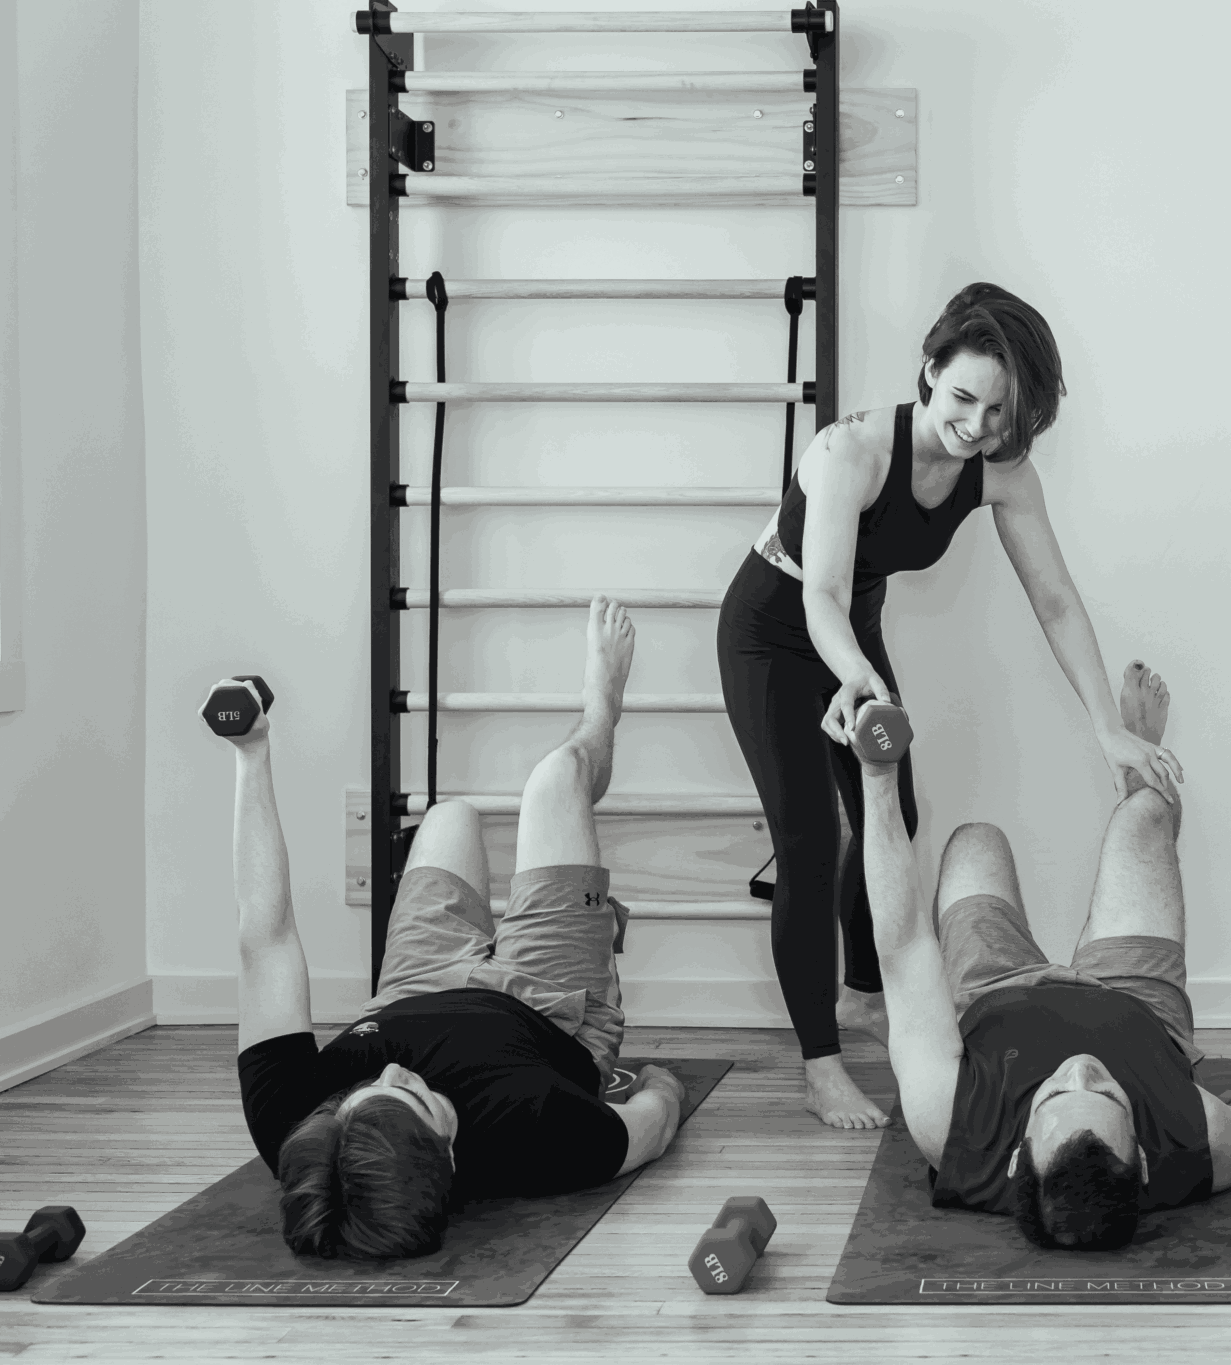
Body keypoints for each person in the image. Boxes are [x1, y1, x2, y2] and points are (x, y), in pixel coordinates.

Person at [718, 281, 1180, 1130]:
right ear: (930, 370)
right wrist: (856, 677)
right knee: (810, 840)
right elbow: (820, 592)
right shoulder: (852, 451)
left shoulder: (1002, 472)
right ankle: (821, 1065)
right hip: (773, 630)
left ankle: (863, 994)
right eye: (964, 396)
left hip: (853, 631)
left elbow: (1055, 601)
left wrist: (1106, 726)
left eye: (999, 411)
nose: (977, 424)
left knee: (897, 816)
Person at [220, 598, 687, 1259]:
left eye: (364, 1094)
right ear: (449, 1151)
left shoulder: (292, 1123)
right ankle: (600, 711)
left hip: (411, 984)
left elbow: (264, 938)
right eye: (412, 1095)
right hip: (550, 1009)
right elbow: (655, 1123)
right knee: (557, 779)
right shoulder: (544, 1136)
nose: (390, 1071)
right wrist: (659, 1079)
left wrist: (252, 752)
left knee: (451, 817)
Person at [859, 660, 1231, 1249]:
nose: (1079, 1065)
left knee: (976, 840)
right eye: (1104, 1092)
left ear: (1015, 1156)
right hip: (1138, 1006)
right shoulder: (1202, 1143)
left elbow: (903, 949)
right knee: (1147, 815)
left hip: (995, 990)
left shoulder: (946, 1122)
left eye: (1055, 1095)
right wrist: (1228, 1106)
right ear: (1144, 1160)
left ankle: (1125, 780)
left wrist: (877, 773)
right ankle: (1140, 766)